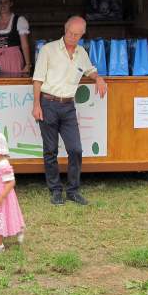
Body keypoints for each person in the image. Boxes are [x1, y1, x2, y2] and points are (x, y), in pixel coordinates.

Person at [32, 16, 108, 206]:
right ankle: (55, 191)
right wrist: (36, 105)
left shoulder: (82, 53)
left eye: (77, 35)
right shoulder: (48, 50)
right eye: (70, 33)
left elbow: (90, 70)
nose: (73, 37)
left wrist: (98, 78)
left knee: (75, 149)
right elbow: (37, 79)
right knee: (50, 150)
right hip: (48, 103)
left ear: (82, 35)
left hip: (68, 107)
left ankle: (73, 190)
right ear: (65, 30)